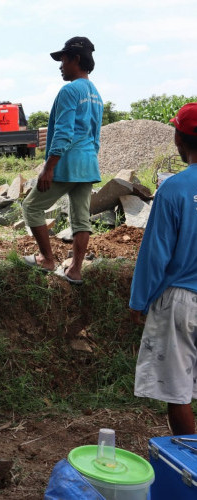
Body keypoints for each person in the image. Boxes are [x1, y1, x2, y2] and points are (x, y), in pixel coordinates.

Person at [130, 102, 197, 436]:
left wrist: (138, 303)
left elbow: (154, 255)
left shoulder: (174, 189)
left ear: (178, 140)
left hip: (182, 302)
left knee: (178, 390)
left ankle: (190, 469)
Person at [21, 37, 103, 285]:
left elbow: (64, 132)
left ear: (76, 59)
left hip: (67, 163)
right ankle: (75, 270)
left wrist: (49, 167)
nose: (60, 66)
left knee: (31, 206)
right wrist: (88, 160)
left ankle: (47, 259)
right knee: (81, 219)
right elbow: (96, 136)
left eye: (64, 59)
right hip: (88, 164)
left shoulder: (69, 90)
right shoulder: (96, 94)